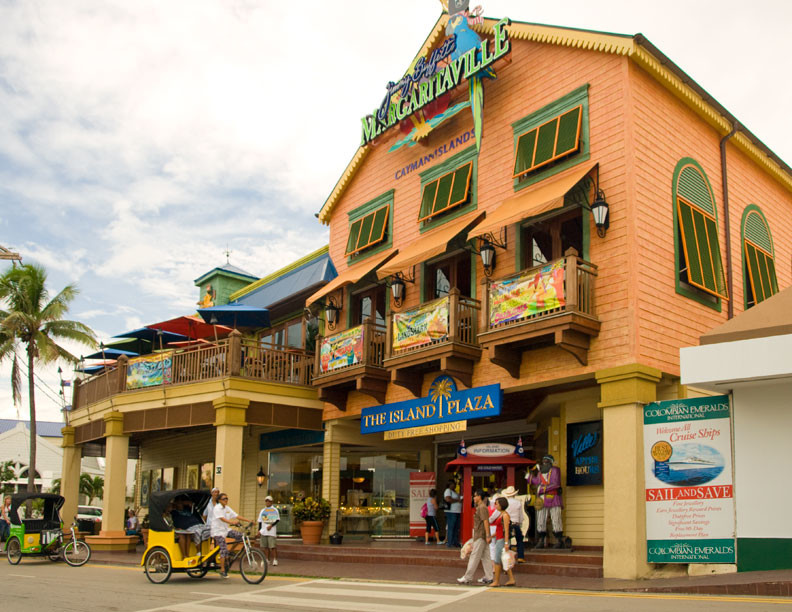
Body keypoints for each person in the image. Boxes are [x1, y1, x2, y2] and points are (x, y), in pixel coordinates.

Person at [527, 454, 564, 549]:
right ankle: (541, 540)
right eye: (543, 460)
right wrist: (529, 477)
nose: (544, 462)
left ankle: (559, 540)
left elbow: (555, 484)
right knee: (540, 520)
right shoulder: (540, 472)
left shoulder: (555, 470)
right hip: (542, 500)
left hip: (554, 498)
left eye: (547, 460)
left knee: (556, 519)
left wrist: (542, 489)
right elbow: (537, 481)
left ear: (551, 462)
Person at [457, 489, 493, 585]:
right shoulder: (481, 507)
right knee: (485, 557)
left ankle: (468, 577)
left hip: (481, 535)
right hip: (482, 535)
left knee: (474, 556)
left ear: (479, 497)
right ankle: (489, 577)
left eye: (475, 496)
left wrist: (488, 535)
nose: (474, 498)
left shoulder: (482, 508)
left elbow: (485, 521)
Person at [210, 492, 251, 578]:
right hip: (218, 531)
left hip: (226, 530)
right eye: (224, 499)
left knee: (240, 536)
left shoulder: (227, 508)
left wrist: (248, 520)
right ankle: (222, 570)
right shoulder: (217, 508)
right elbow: (222, 519)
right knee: (223, 548)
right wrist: (232, 522)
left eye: (227, 499)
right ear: (219, 500)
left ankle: (231, 551)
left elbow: (236, 516)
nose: (226, 500)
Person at [492, 497, 516, 587]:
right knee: (504, 559)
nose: (495, 505)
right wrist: (491, 536)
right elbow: (499, 529)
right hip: (499, 538)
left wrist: (506, 543)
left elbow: (506, 530)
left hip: (501, 539)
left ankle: (496, 581)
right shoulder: (501, 514)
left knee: (497, 560)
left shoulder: (505, 515)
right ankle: (511, 579)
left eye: (496, 503)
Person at [501, 486, 526, 562]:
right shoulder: (518, 503)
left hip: (507, 524)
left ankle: (506, 559)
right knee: (519, 540)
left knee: (507, 540)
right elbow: (521, 515)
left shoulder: (505, 502)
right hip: (516, 524)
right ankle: (520, 557)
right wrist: (521, 522)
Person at [257, 495, 279, 567]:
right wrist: (259, 530)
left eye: (269, 501)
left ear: (272, 502)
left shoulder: (275, 510)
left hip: (271, 531)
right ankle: (267, 559)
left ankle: (275, 560)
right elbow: (260, 521)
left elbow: (277, 520)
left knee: (272, 546)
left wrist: (271, 525)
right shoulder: (262, 510)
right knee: (265, 547)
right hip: (264, 531)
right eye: (266, 501)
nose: (267, 502)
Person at [443, 481, 462, 548]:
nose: (455, 485)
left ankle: (455, 542)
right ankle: (450, 542)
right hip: (451, 512)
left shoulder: (454, 492)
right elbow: (448, 499)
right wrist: (458, 500)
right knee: (451, 527)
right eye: (453, 484)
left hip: (457, 511)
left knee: (456, 528)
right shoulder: (448, 490)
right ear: (450, 484)